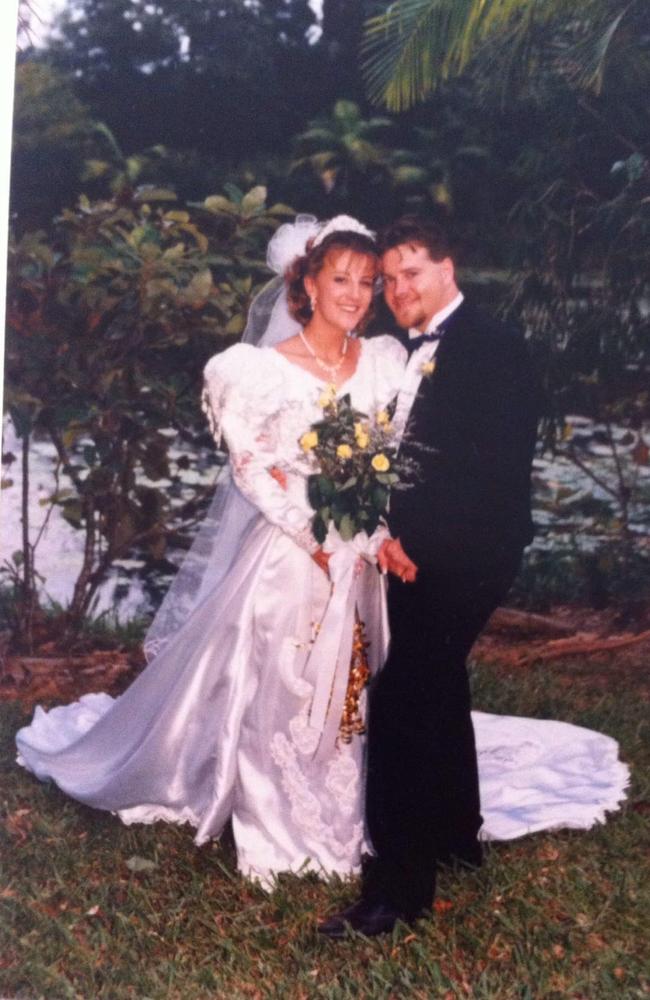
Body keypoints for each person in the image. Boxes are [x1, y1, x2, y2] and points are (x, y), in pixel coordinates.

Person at [15, 215, 408, 885]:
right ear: (307, 283)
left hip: (362, 551)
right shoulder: (254, 369)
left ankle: (345, 799)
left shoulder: (382, 362)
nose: (355, 294)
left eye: (368, 284)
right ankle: (277, 816)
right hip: (291, 551)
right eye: (340, 279)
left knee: (351, 682)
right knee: (279, 681)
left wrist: (370, 535)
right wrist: (312, 538)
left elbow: (390, 457)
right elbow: (252, 469)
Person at [318, 216, 629, 938]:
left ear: (448, 269)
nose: (397, 289)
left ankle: (395, 895)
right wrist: (386, 530)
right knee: (438, 679)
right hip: (420, 549)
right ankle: (457, 837)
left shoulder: (493, 347)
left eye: (411, 273)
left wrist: (416, 546)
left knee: (400, 695)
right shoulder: (415, 350)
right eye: (388, 280)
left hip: (468, 554)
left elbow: (491, 477)